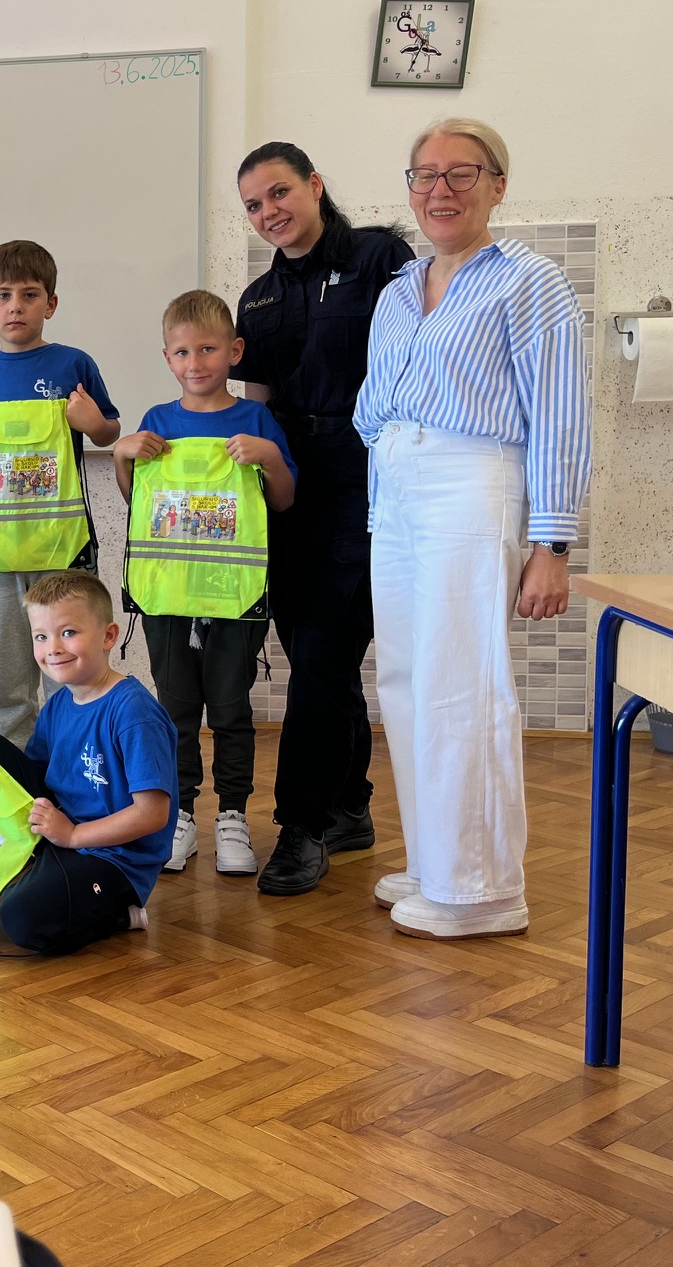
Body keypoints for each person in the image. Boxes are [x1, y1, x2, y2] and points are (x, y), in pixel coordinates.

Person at [354, 117, 588, 939]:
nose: (440, 190)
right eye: (424, 175)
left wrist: (551, 544)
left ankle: (483, 890)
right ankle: (435, 861)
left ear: (497, 185)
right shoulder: (395, 292)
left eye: (461, 173)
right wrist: (382, 497)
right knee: (407, 680)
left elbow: (559, 415)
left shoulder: (530, 280)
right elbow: (376, 409)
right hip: (399, 488)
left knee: (464, 681)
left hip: (470, 479)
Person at [233, 142, 415, 896]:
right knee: (319, 657)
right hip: (285, 490)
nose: (268, 212)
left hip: (363, 482)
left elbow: (416, 362)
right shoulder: (256, 300)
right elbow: (255, 408)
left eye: (279, 192)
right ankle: (351, 806)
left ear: (314, 185)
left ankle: (301, 826)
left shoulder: (380, 259)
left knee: (322, 655)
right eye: (253, 204)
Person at [112, 290, 294, 879]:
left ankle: (233, 815)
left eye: (209, 349)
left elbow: (283, 500)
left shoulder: (255, 419)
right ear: (167, 358)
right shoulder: (158, 421)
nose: (197, 363)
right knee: (177, 709)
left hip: (236, 596)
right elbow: (140, 504)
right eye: (183, 352)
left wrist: (270, 457)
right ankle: (181, 814)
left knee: (232, 709)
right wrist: (122, 456)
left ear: (234, 351)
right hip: (168, 597)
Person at [0, 573, 176, 954]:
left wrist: (73, 836)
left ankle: (119, 914)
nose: (53, 648)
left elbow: (152, 814)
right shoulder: (59, 703)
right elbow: (31, 775)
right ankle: (34, 864)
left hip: (115, 859)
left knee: (22, 920)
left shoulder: (134, 712)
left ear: (108, 636)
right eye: (41, 636)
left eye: (68, 632)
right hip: (62, 834)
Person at [0, 240, 121, 746]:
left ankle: (70, 758)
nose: (16, 306)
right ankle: (16, 766)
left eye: (29, 294)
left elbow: (108, 433)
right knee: (8, 672)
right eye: (3, 295)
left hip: (60, 548)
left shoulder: (74, 364)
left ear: (51, 303)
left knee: (67, 662)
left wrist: (95, 424)